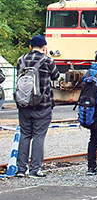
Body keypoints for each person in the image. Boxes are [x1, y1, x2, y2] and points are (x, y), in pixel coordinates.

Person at [15, 35, 60, 177]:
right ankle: (35, 169)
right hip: (43, 105)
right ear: (44, 47)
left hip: (24, 104)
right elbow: (56, 76)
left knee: (25, 134)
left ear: (30, 47)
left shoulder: (20, 60)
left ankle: (21, 169)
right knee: (38, 136)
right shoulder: (47, 60)